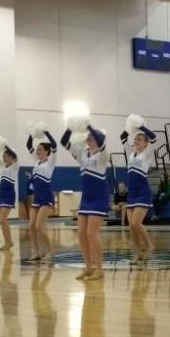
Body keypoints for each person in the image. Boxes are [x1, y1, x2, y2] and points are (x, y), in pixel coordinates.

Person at [62, 116, 109, 281]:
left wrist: (88, 125)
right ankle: (88, 267)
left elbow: (100, 138)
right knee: (81, 233)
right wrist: (72, 126)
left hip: (99, 197)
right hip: (86, 198)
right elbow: (64, 141)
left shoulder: (103, 155)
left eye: (92, 137)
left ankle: (100, 269)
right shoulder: (82, 154)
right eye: (87, 137)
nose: (89, 139)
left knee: (91, 233)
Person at [121, 115, 157, 262]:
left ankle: (149, 245)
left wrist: (140, 125)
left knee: (136, 223)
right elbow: (123, 137)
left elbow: (153, 137)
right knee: (131, 227)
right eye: (135, 140)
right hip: (132, 193)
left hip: (142, 192)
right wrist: (131, 127)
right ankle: (137, 253)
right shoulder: (131, 152)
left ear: (145, 144)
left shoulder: (147, 154)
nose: (136, 142)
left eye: (139, 140)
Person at [26, 124, 58, 262]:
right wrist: (32, 133)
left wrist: (46, 131)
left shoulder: (50, 163)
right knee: (31, 226)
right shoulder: (36, 162)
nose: (37, 151)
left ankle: (51, 251)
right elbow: (28, 144)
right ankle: (37, 252)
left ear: (46, 152)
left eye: (40, 149)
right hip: (36, 198)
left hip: (46, 198)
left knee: (39, 226)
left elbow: (55, 145)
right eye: (37, 149)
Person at [0, 137, 19, 251]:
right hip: (1, 194)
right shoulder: (3, 166)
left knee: (3, 219)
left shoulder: (15, 165)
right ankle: (7, 242)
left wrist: (5, 145)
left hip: (8, 193)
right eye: (3, 156)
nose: (4, 158)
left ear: (11, 157)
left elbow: (15, 156)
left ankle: (9, 241)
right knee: (1, 220)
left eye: (6, 156)